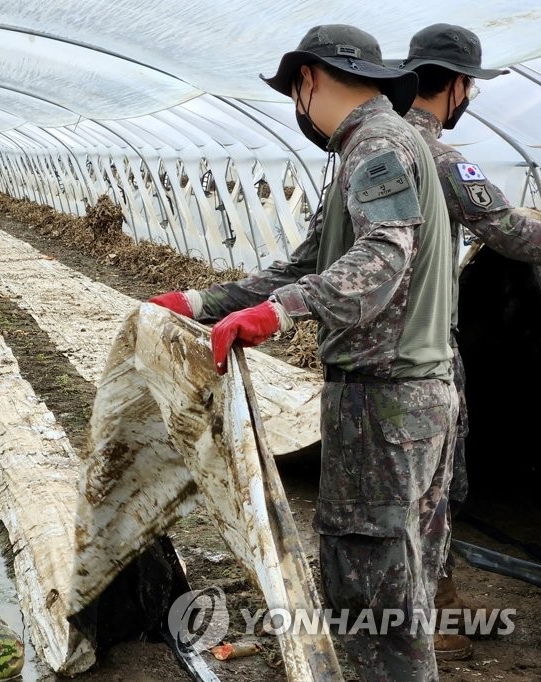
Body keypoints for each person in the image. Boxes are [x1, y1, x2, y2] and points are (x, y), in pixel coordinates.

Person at [149, 25, 457, 680]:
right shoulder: (375, 148)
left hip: (385, 404)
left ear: (308, 80)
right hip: (413, 400)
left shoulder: (377, 148)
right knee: (402, 585)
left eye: (294, 91)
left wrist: (281, 313)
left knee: (372, 586)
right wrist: (206, 301)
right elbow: (307, 264)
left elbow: (381, 259)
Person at [394, 22, 541, 660]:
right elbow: (512, 235)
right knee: (437, 486)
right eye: (470, 88)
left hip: (368, 355)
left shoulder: (366, 151)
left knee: (390, 491)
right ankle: (439, 618)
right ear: (455, 86)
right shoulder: (444, 159)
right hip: (425, 357)